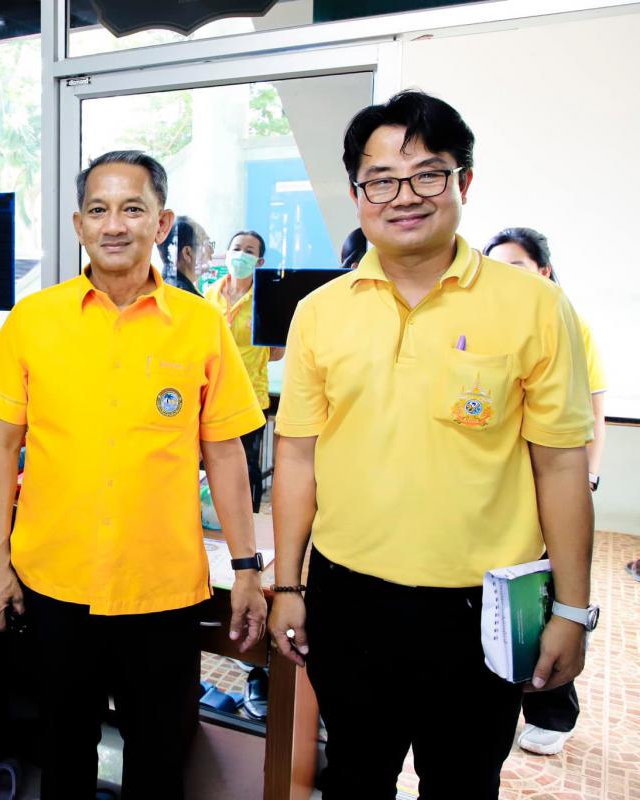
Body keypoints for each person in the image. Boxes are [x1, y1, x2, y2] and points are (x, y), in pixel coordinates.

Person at [268, 91, 596, 799]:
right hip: (347, 596)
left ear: (462, 181)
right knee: (355, 776)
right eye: (380, 180)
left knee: (464, 782)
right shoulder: (319, 313)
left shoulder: (534, 306)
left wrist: (572, 610)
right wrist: (287, 586)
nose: (404, 197)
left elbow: (562, 465)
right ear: (357, 194)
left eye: (427, 174)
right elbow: (296, 456)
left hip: (482, 608)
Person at [0, 150, 268, 800]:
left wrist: (248, 568)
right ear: (78, 224)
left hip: (161, 592)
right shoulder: (34, 320)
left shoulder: (200, 325)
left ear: (161, 222)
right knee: (64, 761)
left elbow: (224, 454)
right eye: (99, 209)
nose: (114, 224)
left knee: (159, 764)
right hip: (54, 588)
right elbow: (1, 447)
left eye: (132, 208)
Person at [485, 225, 607, 755]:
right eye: (494, 266)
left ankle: (553, 709)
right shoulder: (479, 320)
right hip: (502, 493)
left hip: (552, 486)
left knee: (549, 599)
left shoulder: (563, 319)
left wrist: (587, 477)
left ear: (543, 271)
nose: (503, 278)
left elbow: (593, 408)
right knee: (509, 604)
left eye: (515, 266)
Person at [203, 230, 285, 509]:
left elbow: (277, 353)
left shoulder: (267, 299)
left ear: (259, 262)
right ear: (227, 254)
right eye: (237, 248)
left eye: (249, 251)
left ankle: (249, 518)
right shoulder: (209, 295)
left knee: (247, 467)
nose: (240, 255)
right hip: (212, 397)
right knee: (212, 463)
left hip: (250, 398)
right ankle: (214, 518)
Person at [160, 215, 212, 295]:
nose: (212, 251)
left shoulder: (161, 288)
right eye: (207, 243)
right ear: (187, 253)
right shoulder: (185, 297)